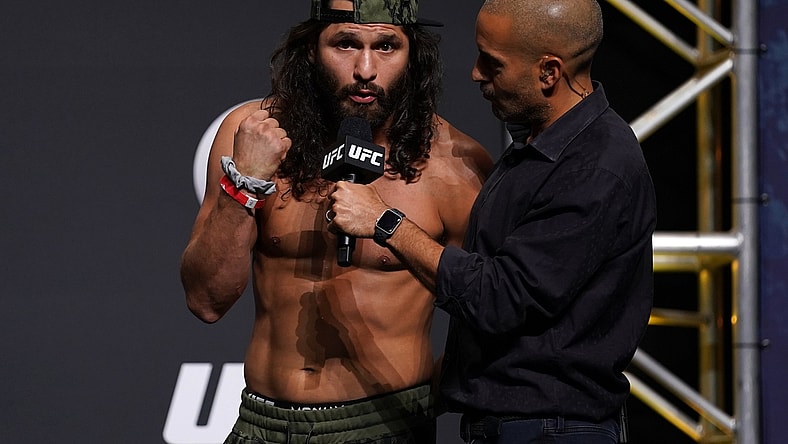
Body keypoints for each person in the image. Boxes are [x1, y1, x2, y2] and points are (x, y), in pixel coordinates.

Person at [328, 0, 657, 442]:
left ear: (549, 72)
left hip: (552, 431)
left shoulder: (595, 166)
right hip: (513, 424)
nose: (476, 73)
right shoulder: (540, 148)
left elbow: (501, 297)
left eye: (493, 62)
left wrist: (387, 224)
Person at [180, 0, 493, 442]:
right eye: (345, 43)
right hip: (261, 424)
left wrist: (420, 404)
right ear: (311, 48)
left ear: (413, 55)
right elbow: (206, 300)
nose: (365, 68)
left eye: (386, 46)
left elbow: (493, 310)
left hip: (383, 425)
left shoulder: (454, 166)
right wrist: (245, 184)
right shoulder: (252, 134)